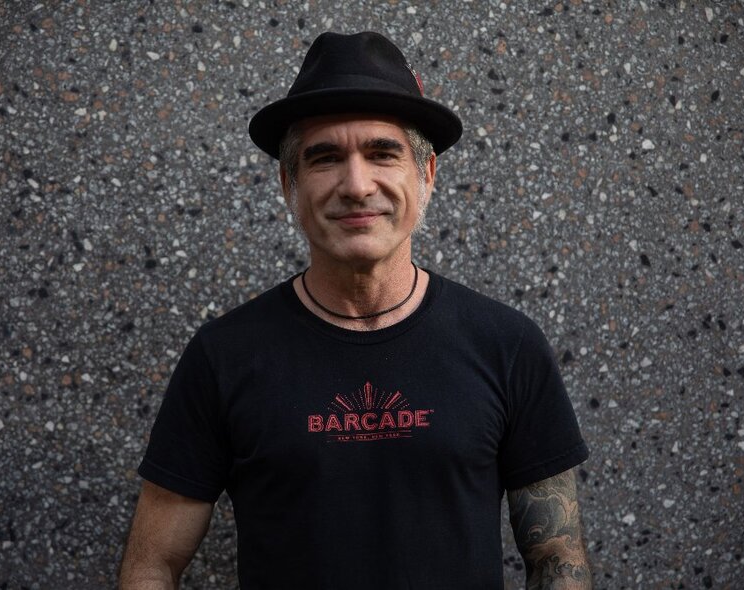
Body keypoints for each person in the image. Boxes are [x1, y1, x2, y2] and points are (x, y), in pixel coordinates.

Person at [119, 31, 591, 589]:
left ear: (427, 174)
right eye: (325, 158)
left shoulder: (507, 346)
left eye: (382, 153)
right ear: (288, 184)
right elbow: (153, 565)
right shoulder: (223, 356)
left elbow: (558, 561)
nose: (356, 184)